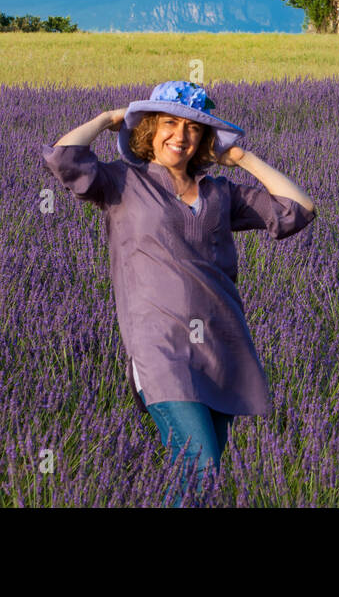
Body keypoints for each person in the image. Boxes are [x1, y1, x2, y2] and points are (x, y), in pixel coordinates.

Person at [40, 80, 316, 506]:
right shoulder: (121, 181)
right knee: (198, 463)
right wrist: (109, 119)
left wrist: (241, 158)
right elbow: (63, 158)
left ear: (204, 139)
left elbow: (298, 210)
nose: (180, 136)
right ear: (149, 129)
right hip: (158, 343)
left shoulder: (220, 193)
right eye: (169, 123)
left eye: (193, 128)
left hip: (222, 343)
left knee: (201, 476)